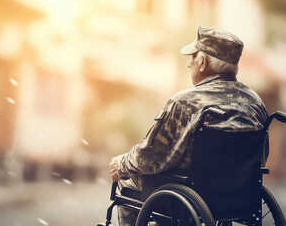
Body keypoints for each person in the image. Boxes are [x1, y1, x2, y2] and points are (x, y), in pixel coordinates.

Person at [109, 26, 269, 226]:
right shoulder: (255, 102)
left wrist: (122, 164)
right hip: (237, 197)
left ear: (202, 62)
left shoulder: (187, 101)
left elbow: (152, 157)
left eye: (192, 57)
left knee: (127, 180)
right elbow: (261, 158)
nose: (189, 63)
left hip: (187, 194)